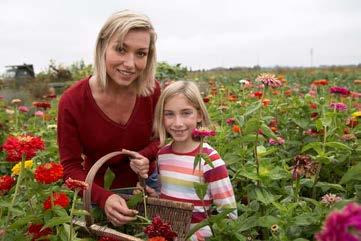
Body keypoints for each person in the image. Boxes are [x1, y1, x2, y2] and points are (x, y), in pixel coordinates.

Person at [57, 9, 160, 226]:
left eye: (141, 53)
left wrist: (142, 156)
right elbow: (70, 168)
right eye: (121, 49)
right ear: (103, 46)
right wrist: (103, 198)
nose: (130, 64)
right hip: (95, 196)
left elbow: (161, 139)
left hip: (147, 192)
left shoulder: (151, 92)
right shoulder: (73, 101)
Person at [151, 80, 237, 241]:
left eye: (186, 113)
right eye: (169, 114)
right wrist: (153, 194)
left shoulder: (210, 160)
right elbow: (169, 196)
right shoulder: (162, 155)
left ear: (199, 115)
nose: (178, 123)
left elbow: (229, 214)